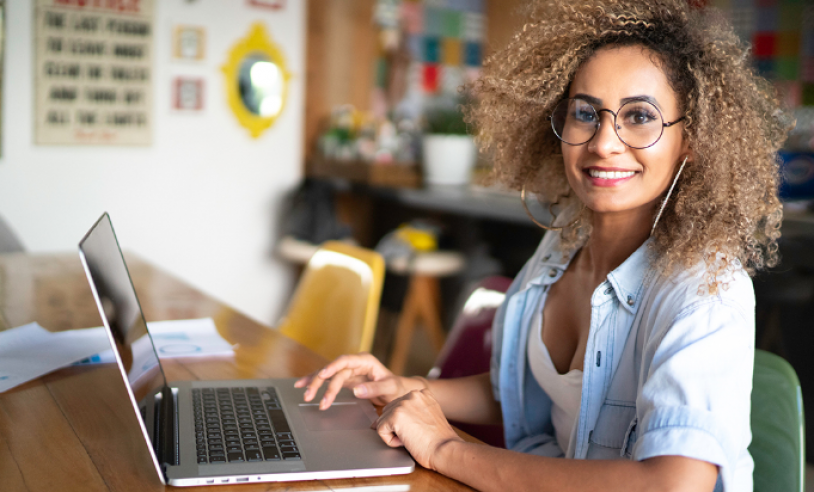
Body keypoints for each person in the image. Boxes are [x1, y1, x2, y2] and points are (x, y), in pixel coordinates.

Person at [296, 1, 792, 490]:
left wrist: (448, 449)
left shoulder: (706, 288)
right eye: (585, 113)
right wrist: (405, 388)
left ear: (691, 140)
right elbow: (520, 391)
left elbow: (672, 484)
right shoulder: (560, 248)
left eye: (640, 116)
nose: (603, 142)